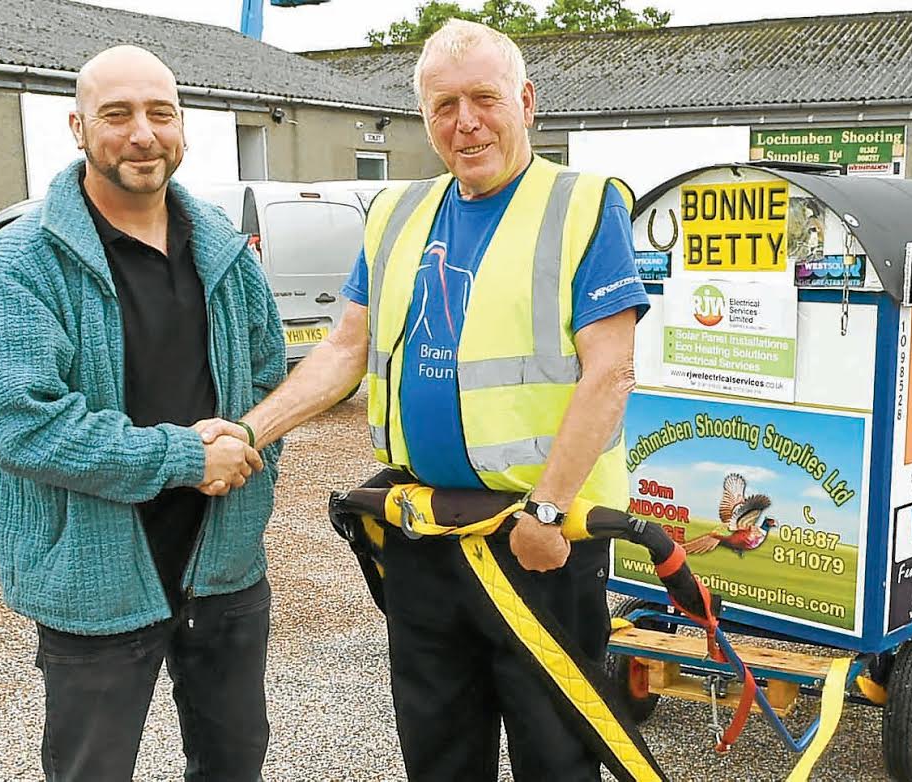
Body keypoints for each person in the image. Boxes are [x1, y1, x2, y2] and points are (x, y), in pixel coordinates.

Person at [198, 18, 649, 781]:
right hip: (422, 530)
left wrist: (546, 511)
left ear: (526, 101)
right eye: (443, 105)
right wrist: (248, 429)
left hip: (536, 540)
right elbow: (343, 349)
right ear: (425, 118)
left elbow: (609, 372)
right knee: (437, 749)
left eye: (483, 98)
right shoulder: (396, 214)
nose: (464, 121)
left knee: (556, 754)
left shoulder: (581, 207)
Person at [0, 46, 284, 781]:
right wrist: (186, 457)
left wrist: (247, 458)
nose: (142, 133)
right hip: (93, 574)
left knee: (234, 760)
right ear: (78, 128)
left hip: (222, 565)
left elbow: (272, 386)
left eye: (159, 113)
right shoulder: (20, 261)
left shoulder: (224, 250)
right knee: (92, 768)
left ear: (182, 128)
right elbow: (21, 420)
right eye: (117, 115)